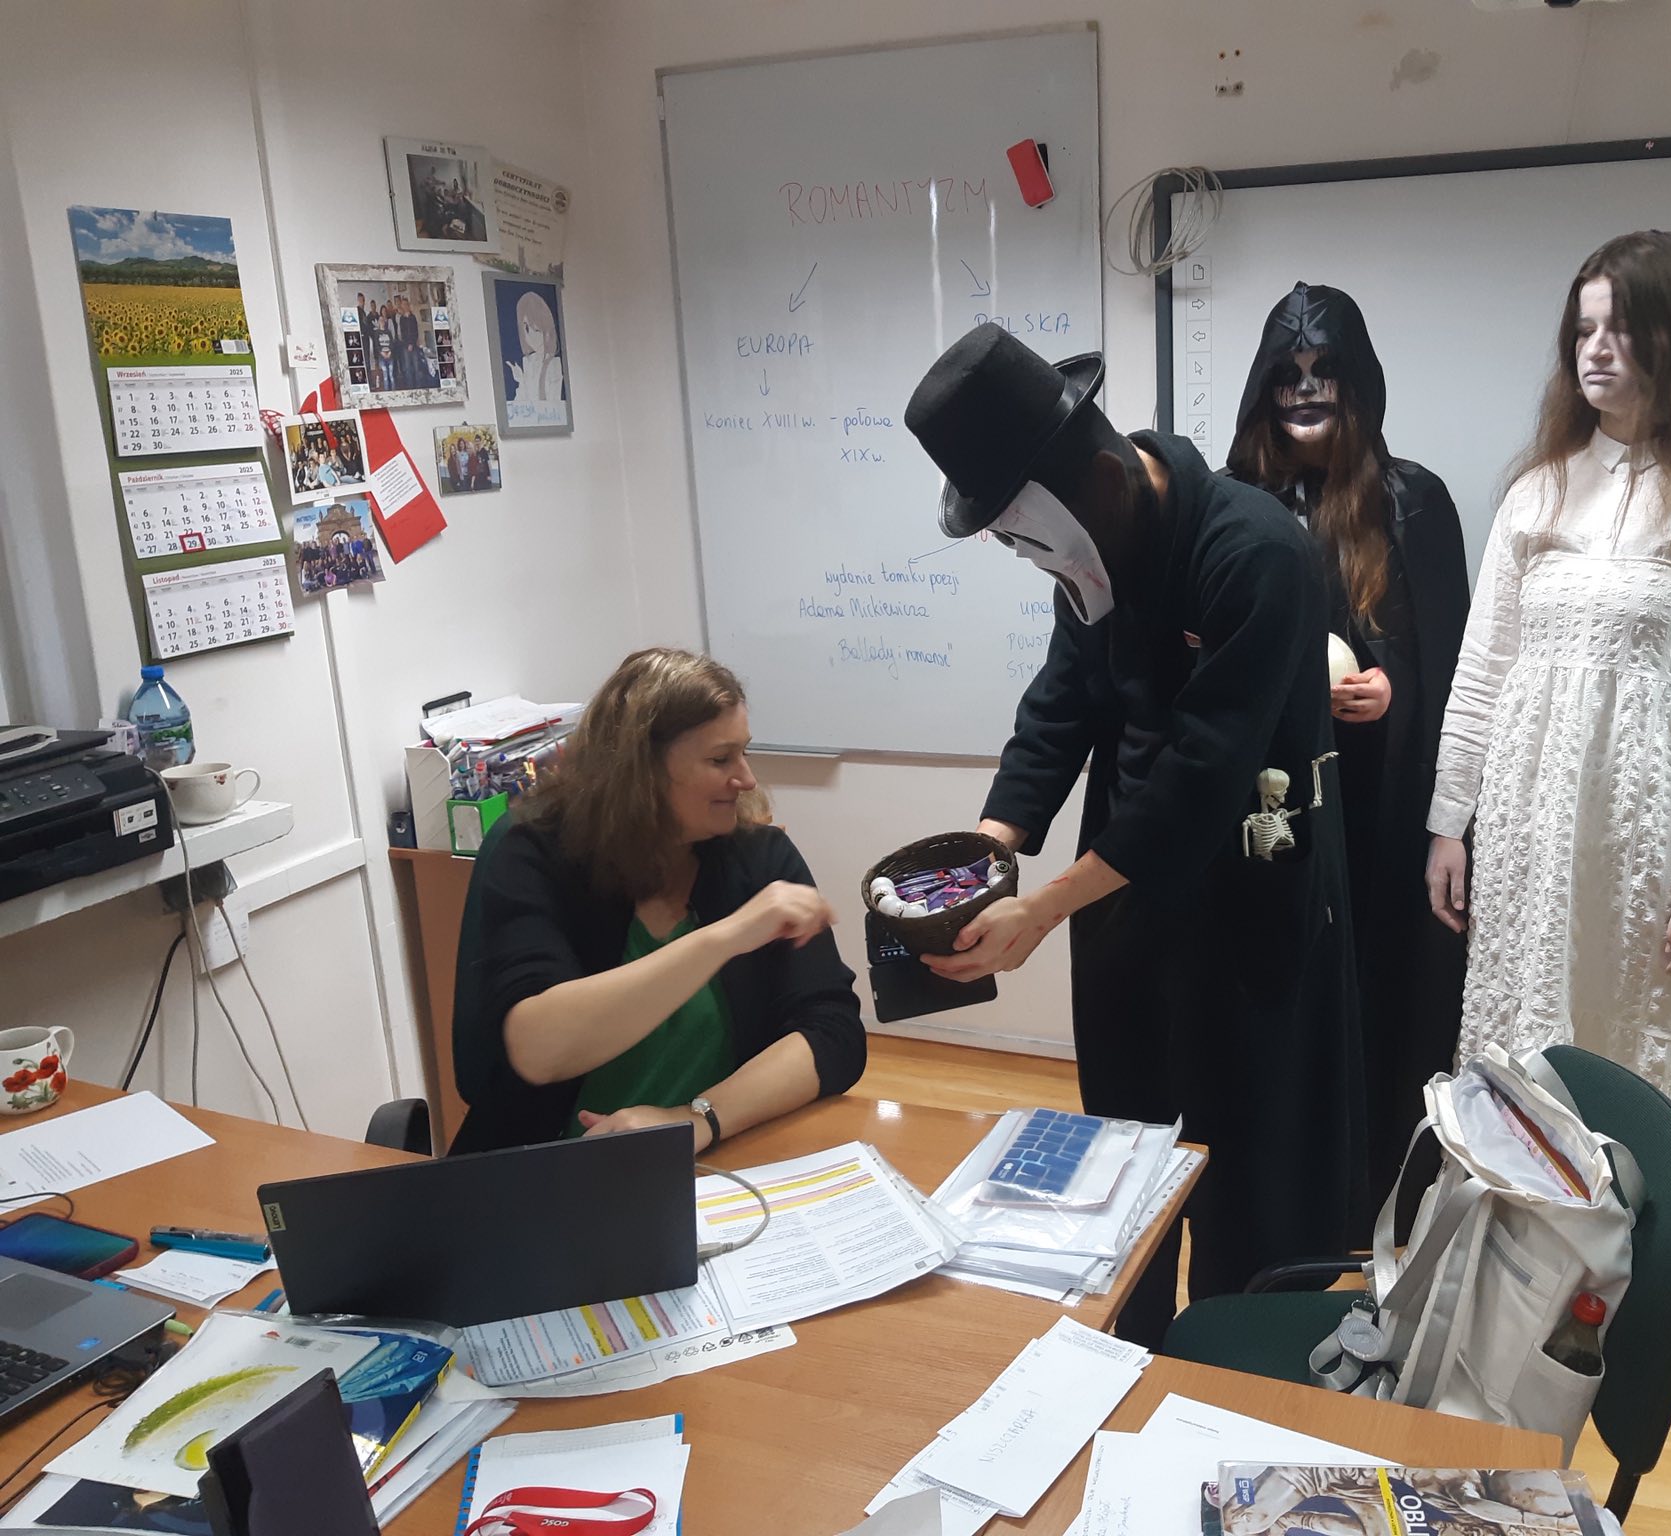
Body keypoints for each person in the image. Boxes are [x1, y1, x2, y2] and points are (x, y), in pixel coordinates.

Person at [904, 324, 1360, 1346]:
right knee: (1123, 1151)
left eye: (1022, 536)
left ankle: (1234, 1360)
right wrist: (990, 854)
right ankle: (1128, 1344)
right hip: (1120, 894)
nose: (1027, 559)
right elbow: (1059, 709)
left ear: (1104, 481)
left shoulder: (1256, 554)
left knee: (1245, 1171)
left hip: (1249, 897)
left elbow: (1204, 773)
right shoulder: (1089, 554)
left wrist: (1039, 911)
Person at [1424, 231, 1671, 1263]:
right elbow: (1481, 669)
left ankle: (1643, 1272)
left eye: (1621, 329)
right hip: (1532, 832)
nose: (1594, 349)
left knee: (1645, 1044)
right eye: (1582, 329)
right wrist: (1449, 820)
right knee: (1529, 1038)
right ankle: (1521, 1259)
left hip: (1653, 846)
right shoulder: (1538, 490)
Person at [1227, 283, 1472, 1226]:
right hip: (1272, 812)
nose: (1305, 389)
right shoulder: (1237, 503)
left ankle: (1384, 1199)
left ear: (1357, 382)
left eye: (1325, 369)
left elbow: (1452, 660)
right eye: (1288, 372)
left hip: (1383, 812)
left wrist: (1392, 689)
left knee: (1387, 997)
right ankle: (1283, 1198)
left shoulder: (1413, 502)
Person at [449, 647, 868, 1155]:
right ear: (640, 770)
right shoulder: (532, 853)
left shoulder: (758, 857)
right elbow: (538, 1051)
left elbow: (833, 1034)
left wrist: (696, 1119)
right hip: (552, 1166)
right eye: (720, 759)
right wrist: (725, 938)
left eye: (743, 753)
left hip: (715, 1162)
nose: (746, 779)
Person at [506, 290, 565, 403]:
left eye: (536, 330)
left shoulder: (554, 364)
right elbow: (521, 404)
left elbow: (552, 405)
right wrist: (521, 380)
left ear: (547, 331)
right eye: (526, 328)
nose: (531, 337)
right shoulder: (529, 362)